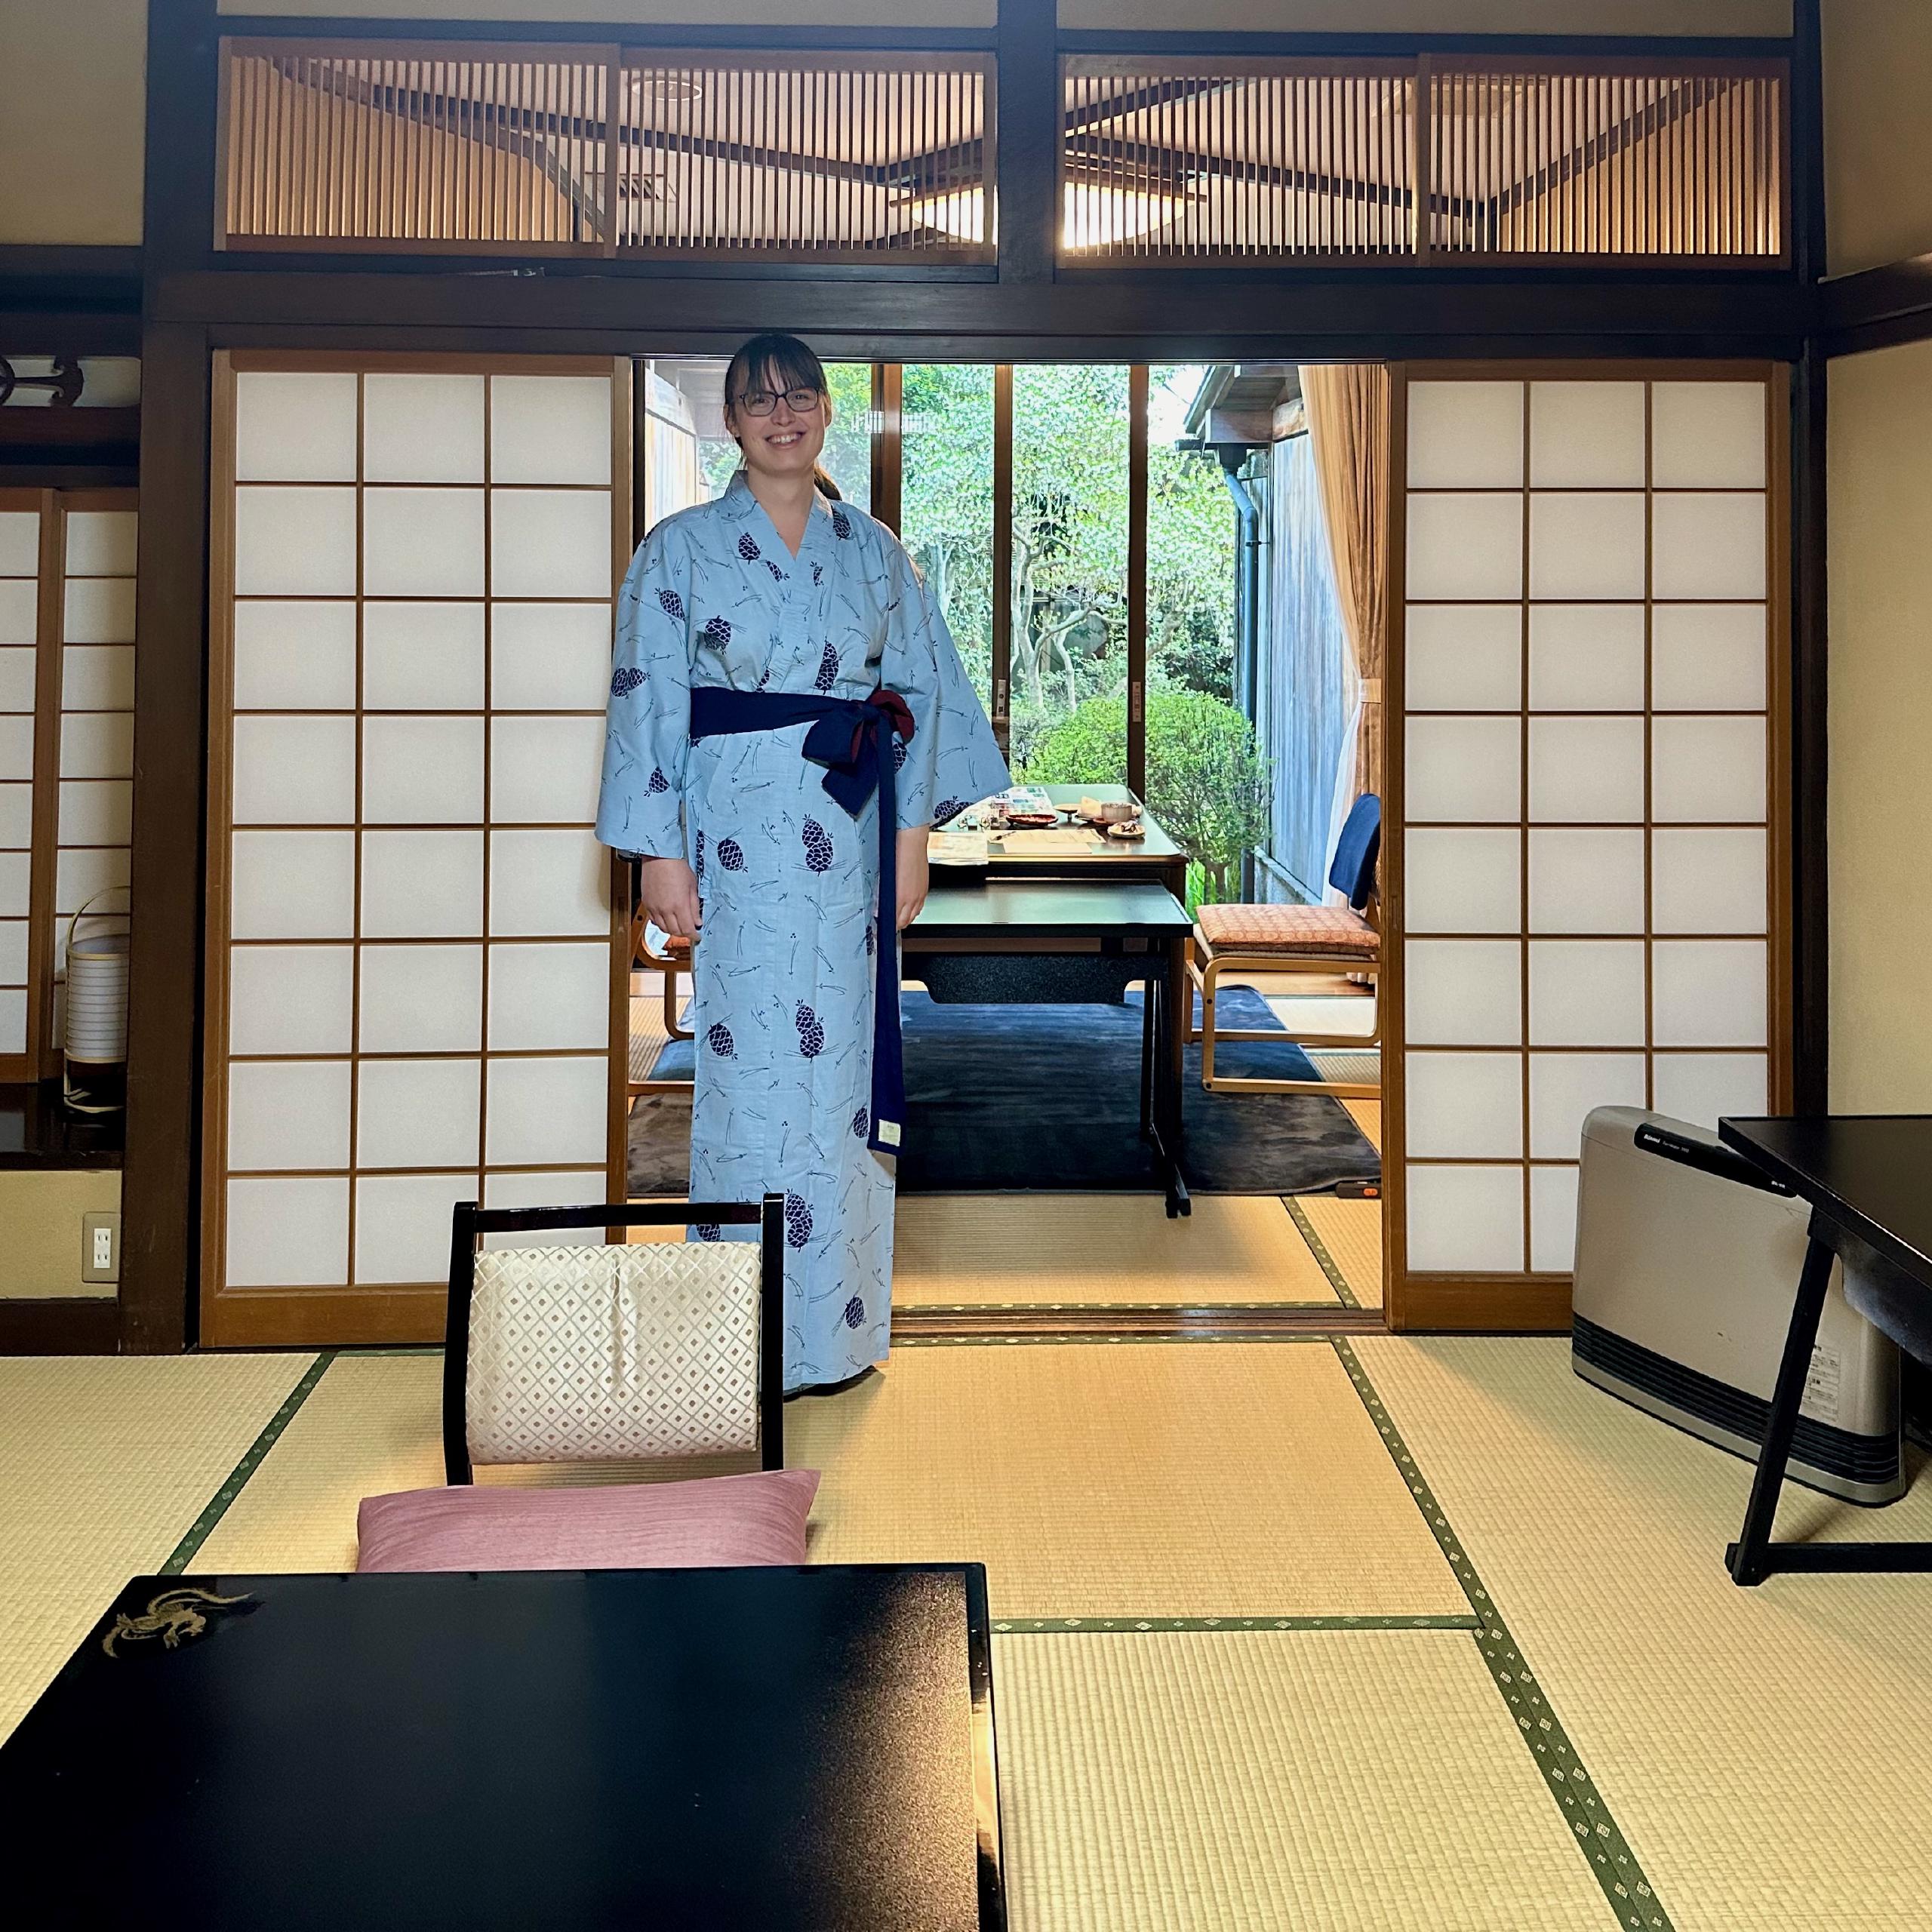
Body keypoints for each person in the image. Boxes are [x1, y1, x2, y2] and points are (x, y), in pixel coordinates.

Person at [597, 334, 1010, 1392]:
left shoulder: (876, 552)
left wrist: (913, 841)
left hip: (848, 836)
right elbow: (650, 702)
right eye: (758, 399)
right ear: (729, 423)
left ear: (829, 413)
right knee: (739, 1083)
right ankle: (739, 1338)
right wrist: (657, 855)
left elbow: (915, 698)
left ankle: (838, 1333)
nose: (782, 413)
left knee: (838, 1084)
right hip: (730, 839)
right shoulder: (678, 549)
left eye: (800, 396)